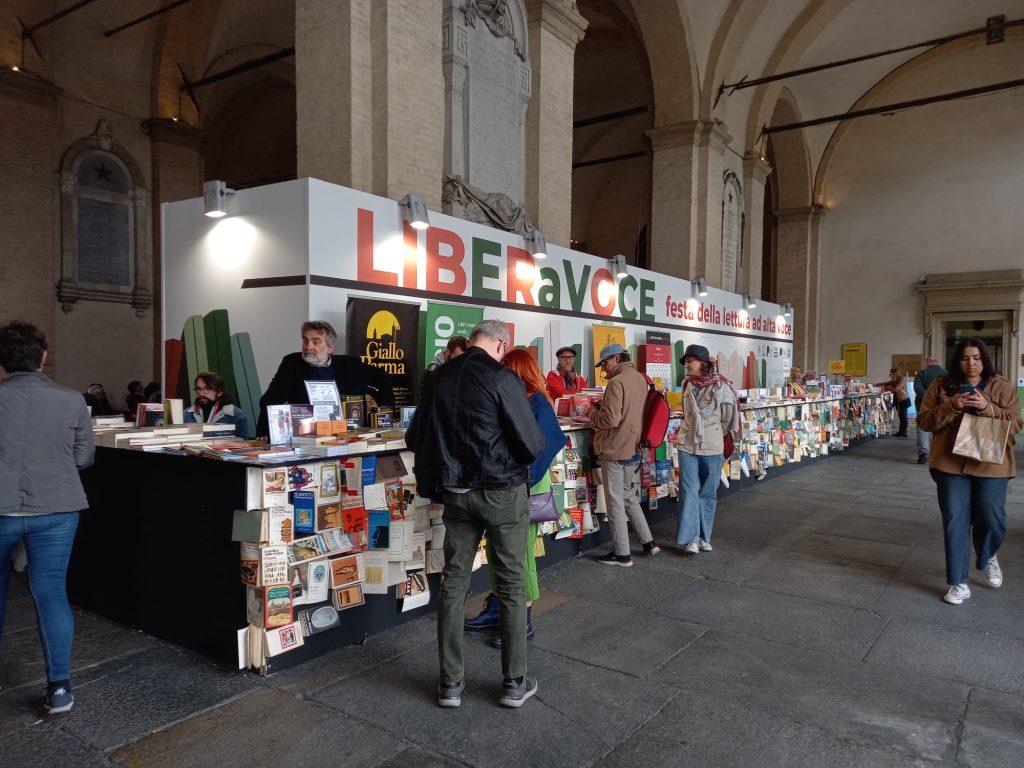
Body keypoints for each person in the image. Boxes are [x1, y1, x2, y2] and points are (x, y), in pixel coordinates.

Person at [406, 319, 544, 709]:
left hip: (456, 495)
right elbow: (532, 443)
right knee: (512, 584)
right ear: (501, 343)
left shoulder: (437, 378)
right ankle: (513, 682)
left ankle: (450, 684)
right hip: (502, 493)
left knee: (453, 584)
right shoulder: (502, 378)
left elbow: (413, 437)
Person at [0, 321, 95, 714]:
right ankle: (59, 687)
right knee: (51, 592)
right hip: (56, 509)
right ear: (42, 356)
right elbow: (83, 458)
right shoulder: (72, 400)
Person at [464, 348, 566, 649]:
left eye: (506, 369)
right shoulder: (522, 399)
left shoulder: (535, 401)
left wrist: (521, 477)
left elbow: (547, 445)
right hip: (512, 487)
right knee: (501, 552)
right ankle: (499, 609)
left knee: (519, 556)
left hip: (526, 488)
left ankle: (523, 619)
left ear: (518, 371)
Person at [917, 337, 1022, 605]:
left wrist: (988, 408)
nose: (971, 363)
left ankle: (988, 553)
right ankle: (958, 583)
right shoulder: (942, 384)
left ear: (984, 359)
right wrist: (953, 405)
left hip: (991, 463)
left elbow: (1016, 422)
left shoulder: (1002, 385)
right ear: (957, 360)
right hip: (950, 463)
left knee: (992, 516)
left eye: (976, 357)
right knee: (955, 520)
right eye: (965, 358)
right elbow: (924, 421)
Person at [586, 343, 660, 566]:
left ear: (616, 359)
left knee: (615, 503)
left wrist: (592, 413)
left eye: (605, 363)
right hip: (634, 447)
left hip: (615, 449)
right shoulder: (639, 378)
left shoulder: (616, 382)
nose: (604, 368)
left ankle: (622, 554)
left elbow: (611, 420)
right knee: (629, 497)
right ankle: (648, 543)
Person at [257, 320, 394, 437]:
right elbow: (270, 400)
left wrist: (385, 413)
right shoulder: (292, 363)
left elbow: (381, 377)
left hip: (343, 435)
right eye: (305, 341)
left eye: (315, 342)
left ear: (330, 348)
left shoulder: (350, 365)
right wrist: (264, 434)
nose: (308, 346)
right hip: (306, 435)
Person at [673, 344, 739, 554]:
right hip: (687, 443)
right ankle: (691, 539)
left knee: (707, 492)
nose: (687, 366)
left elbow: (728, 418)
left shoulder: (722, 386)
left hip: (712, 445)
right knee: (688, 491)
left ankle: (704, 536)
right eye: (685, 362)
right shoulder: (686, 384)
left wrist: (713, 431)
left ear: (703, 363)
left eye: (690, 361)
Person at [183, 371, 250, 437]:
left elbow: (242, 443)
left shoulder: (237, 415)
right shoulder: (185, 415)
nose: (201, 393)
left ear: (220, 392)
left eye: (207, 389)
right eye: (198, 389)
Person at [913, 357, 945, 464]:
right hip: (942, 405)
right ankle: (940, 454)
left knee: (922, 428)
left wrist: (928, 396)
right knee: (941, 428)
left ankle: (923, 453)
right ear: (936, 362)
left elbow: (917, 388)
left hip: (923, 405)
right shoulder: (946, 373)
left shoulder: (922, 373)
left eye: (924, 364)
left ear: (927, 363)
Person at [877, 367, 910, 436]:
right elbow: (886, 383)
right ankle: (901, 432)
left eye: (891, 373)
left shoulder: (902, 379)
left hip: (903, 400)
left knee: (903, 417)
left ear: (895, 374)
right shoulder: (895, 380)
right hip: (899, 400)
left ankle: (903, 432)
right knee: (901, 416)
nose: (890, 375)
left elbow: (896, 389)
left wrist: (885, 388)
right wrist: (874, 385)